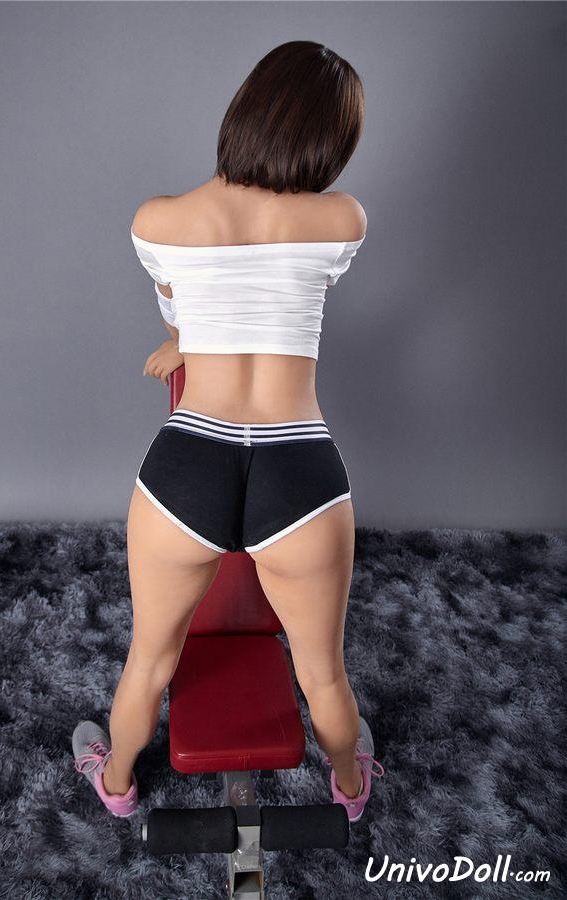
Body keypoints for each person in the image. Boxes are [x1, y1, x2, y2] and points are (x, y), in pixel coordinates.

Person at [72, 40, 384, 825]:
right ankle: (350, 788)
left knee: (150, 659)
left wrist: (183, 342)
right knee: (324, 673)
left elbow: (183, 304)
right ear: (328, 140)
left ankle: (115, 783)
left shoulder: (157, 221)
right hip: (299, 470)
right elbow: (275, 287)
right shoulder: (342, 219)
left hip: (190, 463)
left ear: (246, 110)